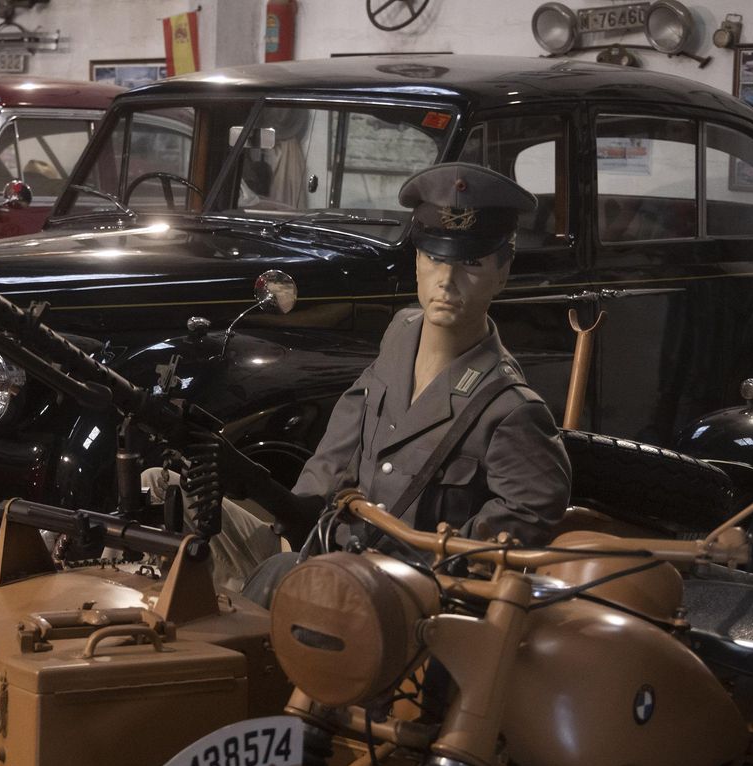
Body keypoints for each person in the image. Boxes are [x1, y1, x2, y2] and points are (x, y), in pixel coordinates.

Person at [156, 162, 571, 593]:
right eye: (433, 257)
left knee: (264, 586)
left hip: (382, 601)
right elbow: (340, 447)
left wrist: (428, 568)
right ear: (416, 263)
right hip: (321, 550)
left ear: (502, 273)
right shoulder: (402, 334)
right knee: (161, 489)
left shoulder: (509, 410)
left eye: (471, 262)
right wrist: (294, 521)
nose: (446, 280)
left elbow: (527, 518)